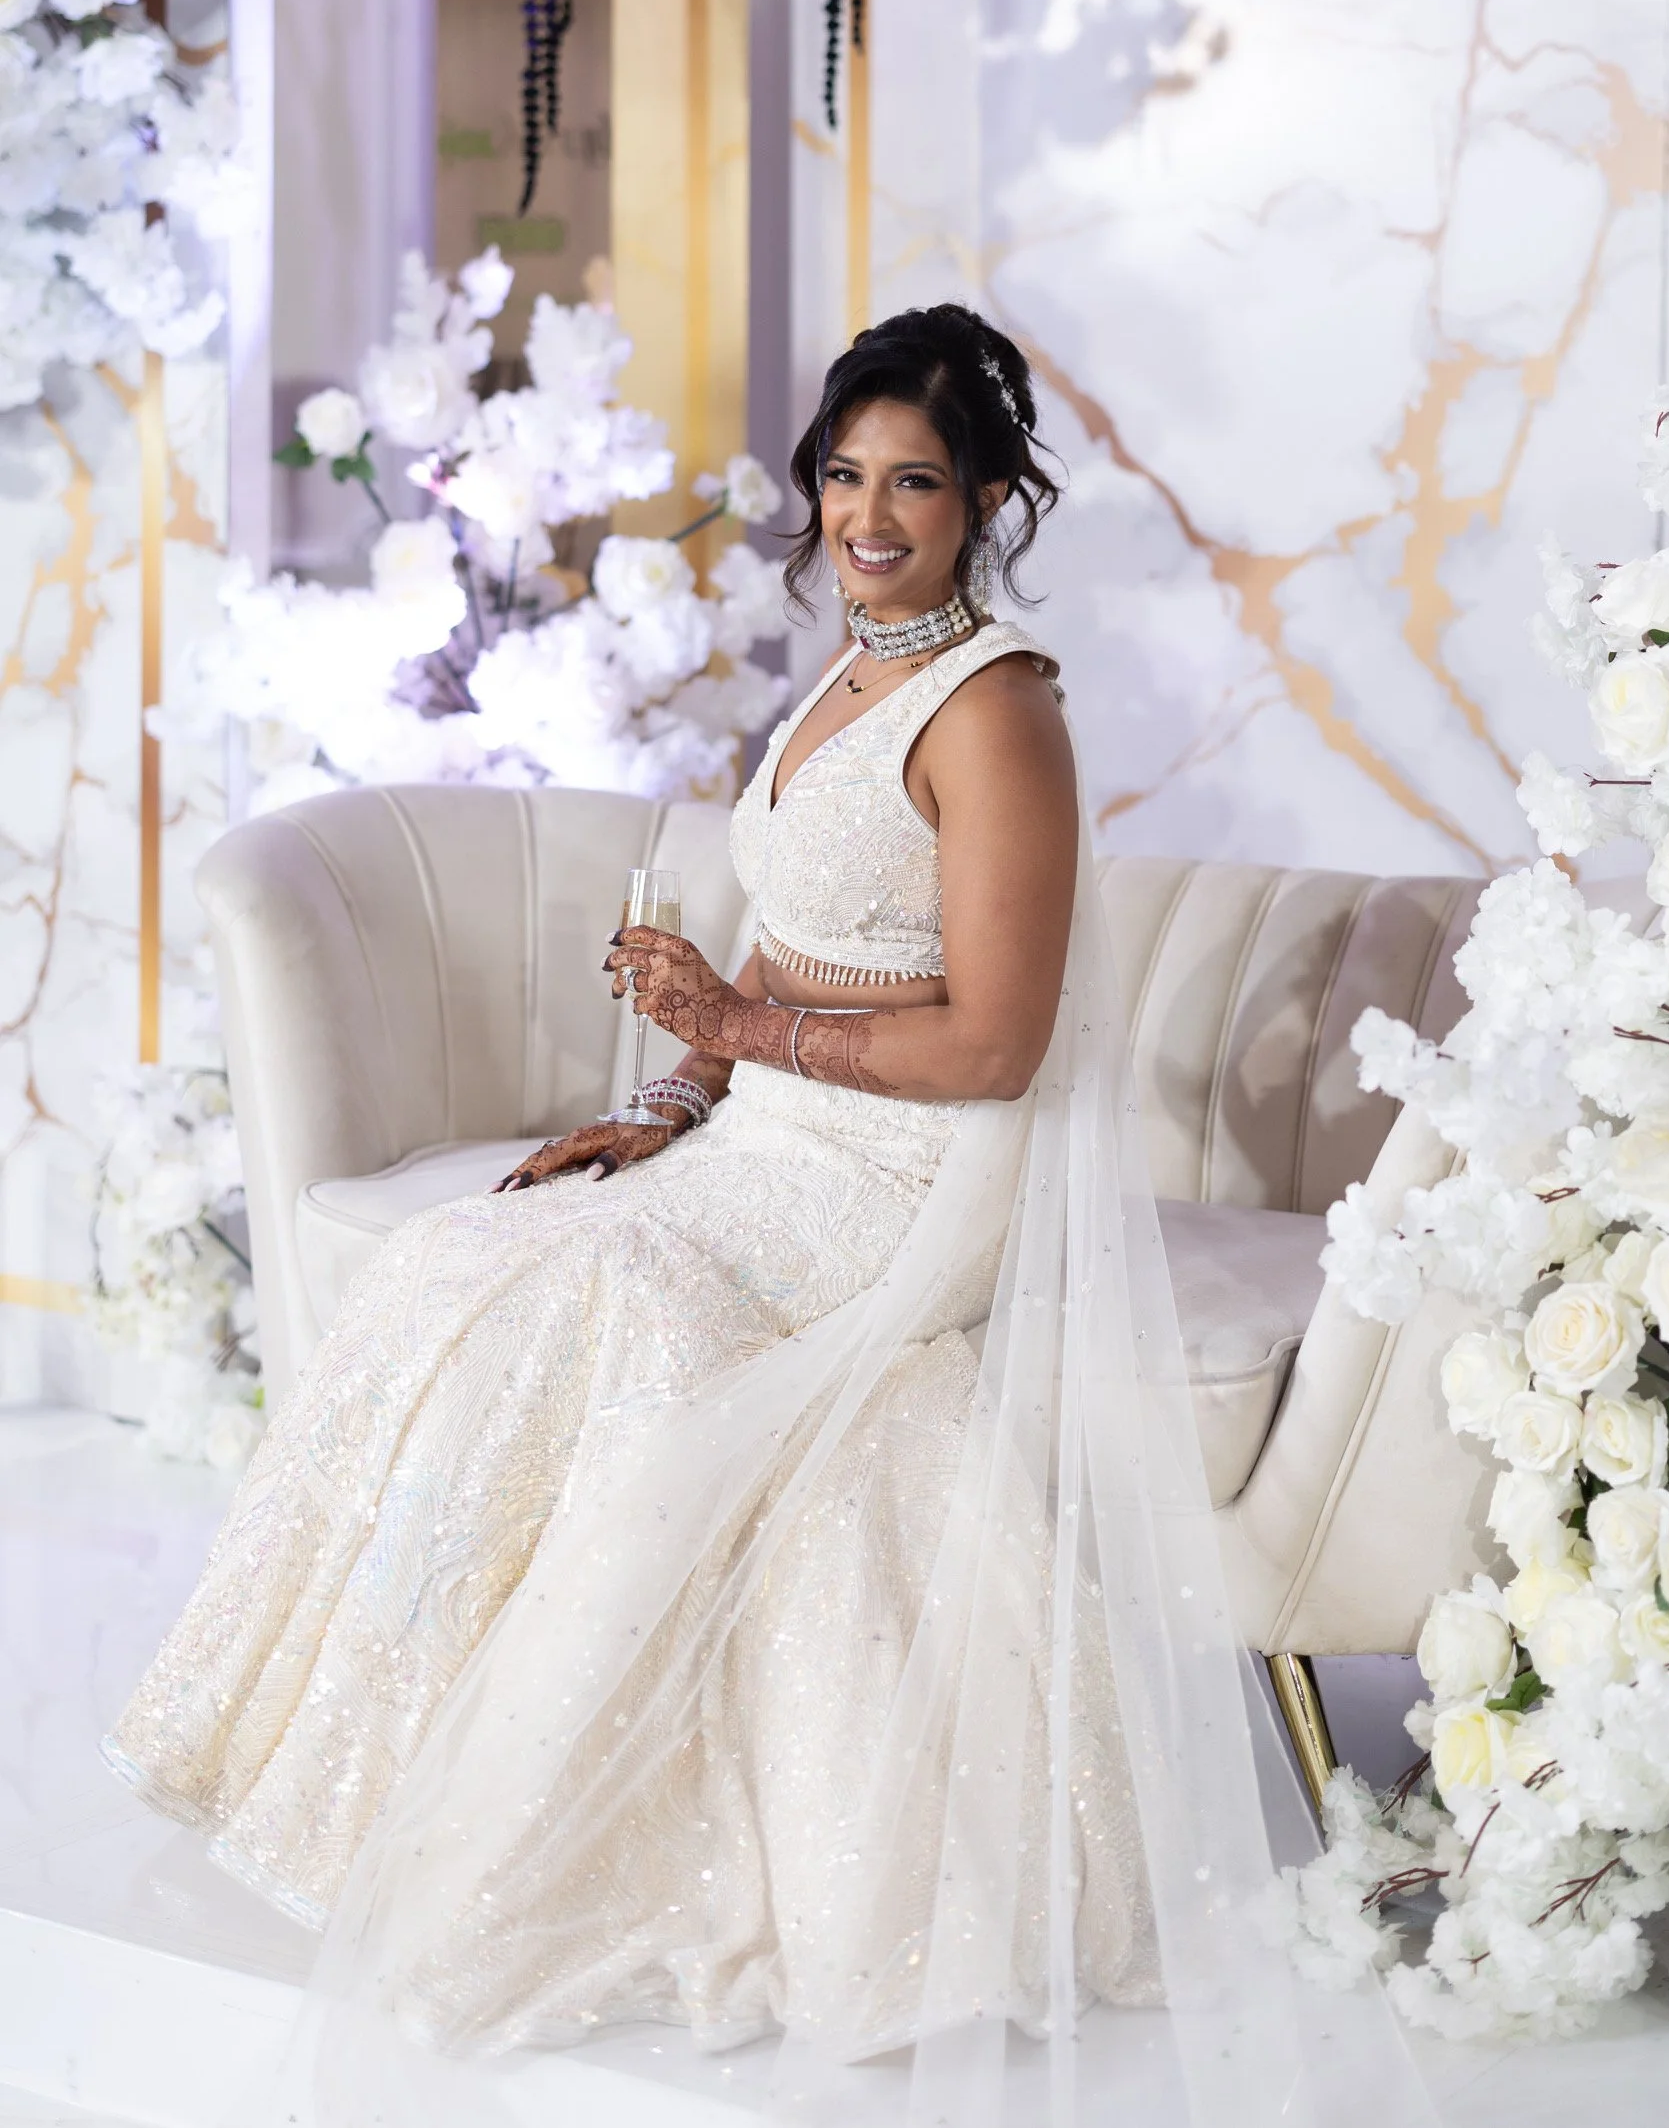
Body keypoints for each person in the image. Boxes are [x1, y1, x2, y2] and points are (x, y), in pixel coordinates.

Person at [101, 303, 1307, 2124]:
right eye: (842, 474)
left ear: (986, 499)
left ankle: (563, 1858)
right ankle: (342, 1784)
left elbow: (991, 1042)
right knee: (471, 1259)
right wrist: (668, 1101)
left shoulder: (999, 714)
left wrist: (739, 1029)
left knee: (622, 1325)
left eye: (914, 481)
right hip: (766, 1138)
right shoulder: (842, 671)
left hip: (910, 1176)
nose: (868, 514)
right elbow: (798, 924)